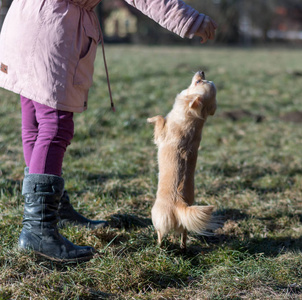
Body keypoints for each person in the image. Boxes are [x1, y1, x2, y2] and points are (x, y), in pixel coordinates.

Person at [0, 0, 217, 262]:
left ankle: (51, 212)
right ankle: (39, 229)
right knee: (54, 125)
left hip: (23, 21)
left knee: (34, 122)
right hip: (51, 29)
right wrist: (190, 20)